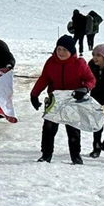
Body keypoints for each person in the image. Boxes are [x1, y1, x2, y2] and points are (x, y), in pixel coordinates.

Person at [30, 36, 96, 165]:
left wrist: (84, 88)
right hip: (55, 100)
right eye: (58, 49)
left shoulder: (80, 63)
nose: (60, 52)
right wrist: (34, 94)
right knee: (49, 128)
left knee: (73, 130)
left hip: (72, 100)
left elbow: (91, 79)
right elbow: (44, 79)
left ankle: (76, 157)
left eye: (64, 50)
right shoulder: (51, 62)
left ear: (71, 51)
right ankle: (46, 155)